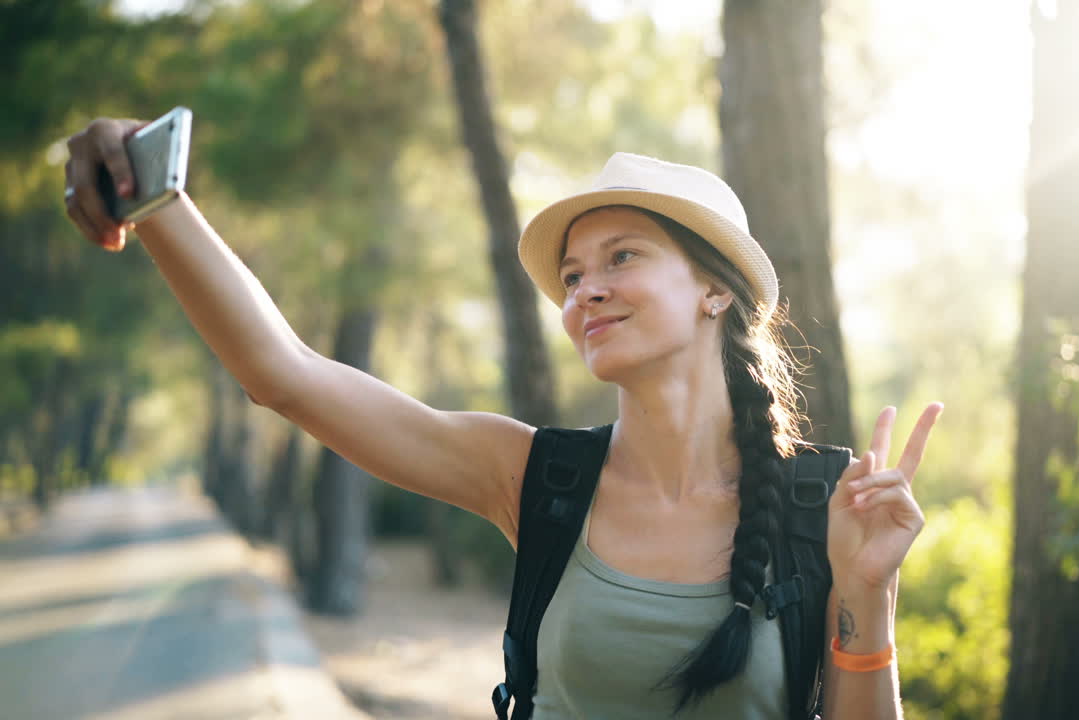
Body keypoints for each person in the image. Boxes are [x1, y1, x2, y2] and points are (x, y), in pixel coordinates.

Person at [62, 116, 943, 719]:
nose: (585, 289)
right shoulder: (531, 477)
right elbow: (283, 375)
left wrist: (867, 594)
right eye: (570, 276)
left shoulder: (821, 509)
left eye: (621, 257)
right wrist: (157, 199)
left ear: (716, 288)